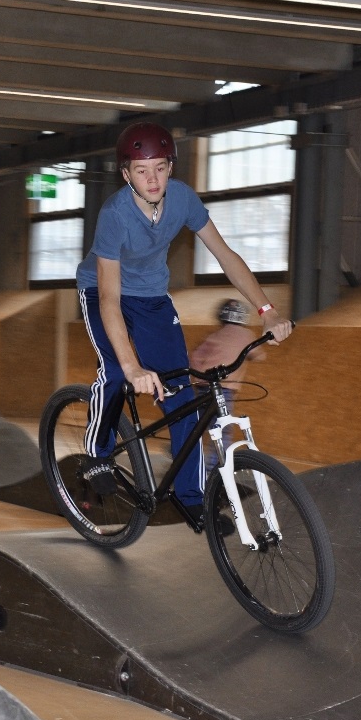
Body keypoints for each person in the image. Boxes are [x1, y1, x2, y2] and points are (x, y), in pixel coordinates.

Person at [74, 121, 293, 522]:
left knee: (183, 394)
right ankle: (97, 454)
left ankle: (192, 498)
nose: (152, 178)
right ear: (126, 174)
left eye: (159, 167)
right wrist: (133, 365)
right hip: (102, 292)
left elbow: (225, 255)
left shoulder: (183, 200)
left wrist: (267, 310)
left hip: (153, 299)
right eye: (141, 170)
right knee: (116, 375)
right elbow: (108, 297)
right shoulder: (115, 215)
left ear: (171, 166)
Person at [189, 299, 267, 476]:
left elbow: (194, 356)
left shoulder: (215, 335)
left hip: (203, 386)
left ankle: (180, 453)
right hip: (224, 390)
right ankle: (213, 470)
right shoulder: (246, 335)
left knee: (197, 425)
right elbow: (259, 356)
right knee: (222, 430)